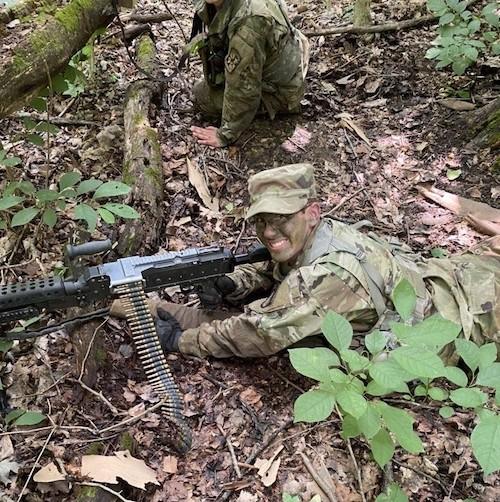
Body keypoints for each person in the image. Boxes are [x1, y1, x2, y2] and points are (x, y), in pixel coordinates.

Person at [112, 163, 499, 364]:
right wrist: (237, 283)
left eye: (281, 218)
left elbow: (258, 333)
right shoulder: (318, 233)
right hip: (456, 280)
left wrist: (182, 340)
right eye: (262, 220)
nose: (268, 231)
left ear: (311, 213)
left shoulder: (324, 279)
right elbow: (277, 264)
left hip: (469, 320)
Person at [188, 0, 310, 148]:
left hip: (281, 90)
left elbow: (244, 84)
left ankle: (276, 105)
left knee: (201, 98)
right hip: (279, 66)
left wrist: (226, 134)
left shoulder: (249, 21)